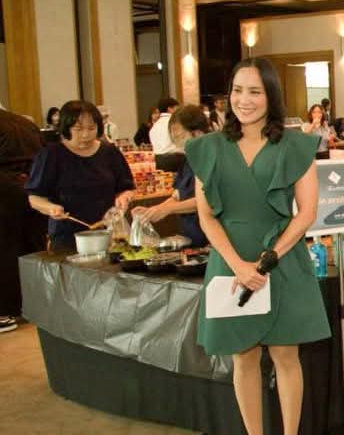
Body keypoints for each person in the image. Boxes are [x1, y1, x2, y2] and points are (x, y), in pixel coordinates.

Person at [185, 57, 330, 435]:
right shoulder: (208, 148)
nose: (244, 100)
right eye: (237, 90)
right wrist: (238, 265)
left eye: (255, 91)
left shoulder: (295, 145)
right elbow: (206, 216)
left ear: (271, 95)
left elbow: (306, 213)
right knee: (243, 358)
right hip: (229, 263)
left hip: (281, 259)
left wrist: (268, 259)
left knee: (286, 355)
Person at [25, 101, 135, 251]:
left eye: (91, 128)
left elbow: (126, 188)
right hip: (67, 236)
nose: (85, 134)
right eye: (78, 129)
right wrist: (51, 208)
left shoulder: (109, 152)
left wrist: (124, 198)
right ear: (66, 128)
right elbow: (35, 198)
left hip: (110, 232)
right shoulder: (51, 155)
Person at [131, 105, 210, 247]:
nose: (178, 145)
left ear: (198, 133)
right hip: (190, 236)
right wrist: (152, 210)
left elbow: (207, 201)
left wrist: (167, 209)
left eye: (180, 137)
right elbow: (177, 195)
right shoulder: (188, 159)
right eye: (174, 139)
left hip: (210, 238)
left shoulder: (213, 159)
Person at [0, 109, 47, 333]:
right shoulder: (25, 122)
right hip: (32, 188)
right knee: (33, 247)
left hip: (4, 192)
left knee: (5, 251)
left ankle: (4, 311)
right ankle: (32, 304)